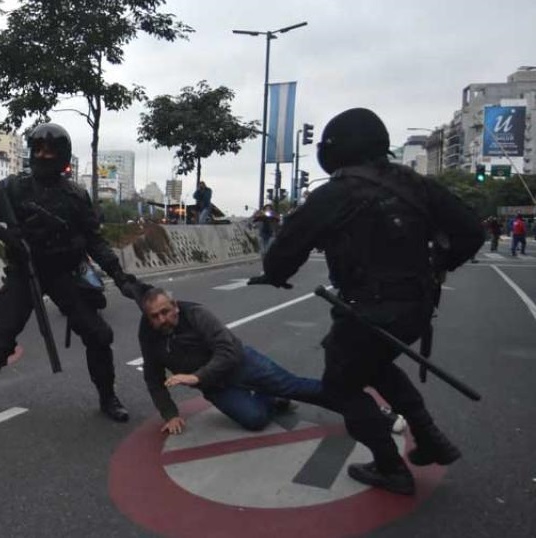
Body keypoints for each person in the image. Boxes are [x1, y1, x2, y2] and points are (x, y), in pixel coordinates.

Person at [250, 108, 484, 495]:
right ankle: (428, 436)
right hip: (417, 309)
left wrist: (275, 276)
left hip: (371, 310)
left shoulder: (336, 192)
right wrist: (438, 265)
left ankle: (391, 467)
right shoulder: (415, 185)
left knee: (340, 385)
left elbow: (285, 250)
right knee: (372, 364)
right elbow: (471, 232)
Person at [0, 122, 146, 422]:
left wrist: (119, 275)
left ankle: (107, 395)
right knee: (1, 337)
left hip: (65, 273)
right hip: (25, 272)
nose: (44, 155)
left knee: (99, 335)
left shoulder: (75, 196)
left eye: (51, 150)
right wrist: (2, 231)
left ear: (63, 156)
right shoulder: (11, 188)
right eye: (38, 149)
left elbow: (94, 239)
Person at [138, 288, 405, 435]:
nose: (162, 320)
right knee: (254, 420)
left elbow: (228, 352)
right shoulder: (150, 336)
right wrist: (170, 415)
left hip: (242, 364)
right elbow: (153, 379)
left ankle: (375, 414)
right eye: (154, 316)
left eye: (165, 312)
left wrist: (196, 377)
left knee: (298, 387)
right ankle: (272, 399)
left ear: (174, 306)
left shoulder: (196, 314)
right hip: (217, 387)